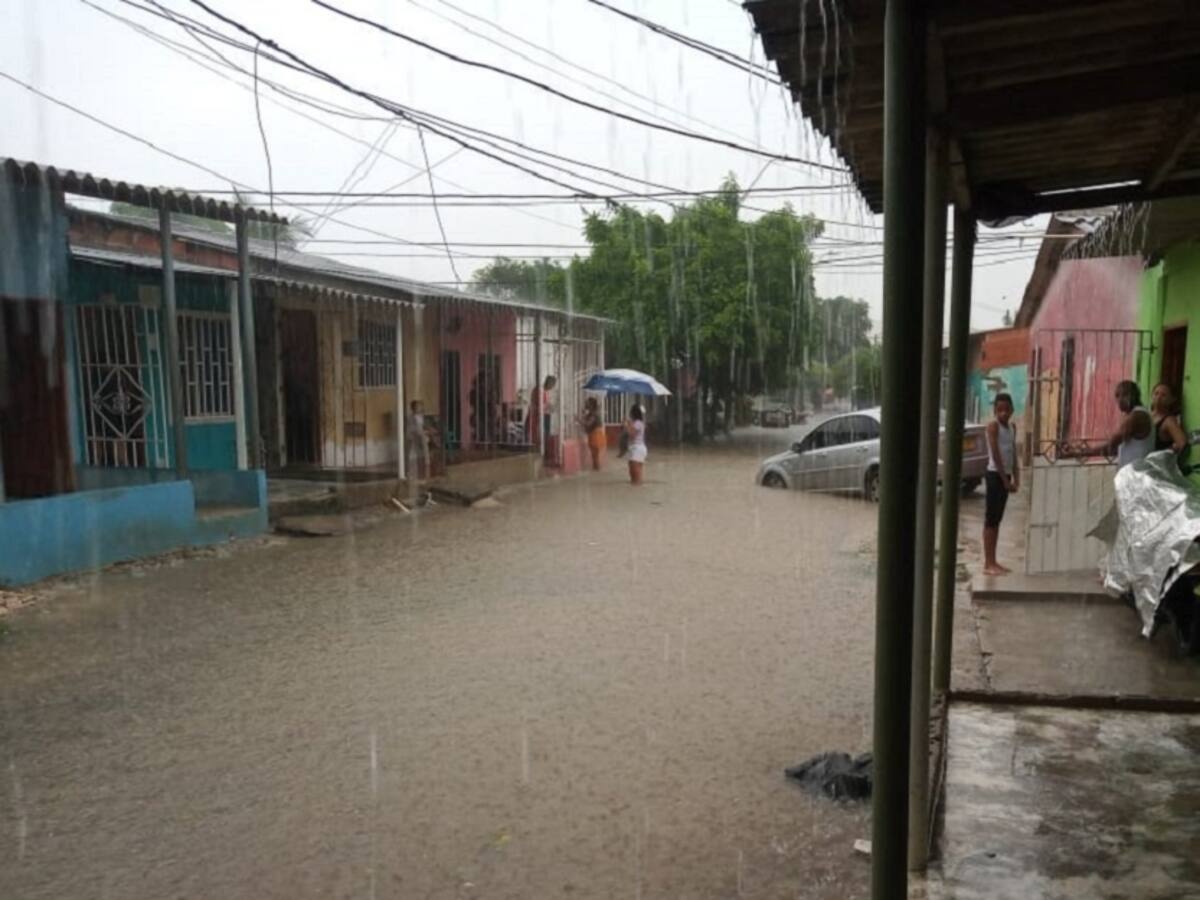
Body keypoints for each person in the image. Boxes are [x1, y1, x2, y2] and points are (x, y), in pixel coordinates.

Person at [983, 393, 1019, 577]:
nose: (1003, 413)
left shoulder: (1012, 427)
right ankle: (988, 563)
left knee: (997, 520)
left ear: (1012, 409)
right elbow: (996, 455)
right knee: (990, 520)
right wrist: (1006, 481)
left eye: (1006, 409)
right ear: (995, 411)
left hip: (1006, 476)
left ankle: (994, 561)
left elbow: (1013, 453)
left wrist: (1016, 478)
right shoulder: (993, 427)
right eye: (999, 410)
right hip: (994, 476)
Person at [1151, 382, 1188, 455]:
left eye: (1163, 395)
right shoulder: (1147, 415)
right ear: (1152, 396)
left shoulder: (1169, 421)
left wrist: (1164, 452)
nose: (1158, 398)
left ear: (1172, 399)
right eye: (1156, 393)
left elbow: (1182, 443)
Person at [577, 396, 606, 471]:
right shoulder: (591, 413)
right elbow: (586, 421)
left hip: (596, 435)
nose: (586, 404)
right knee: (594, 455)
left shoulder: (594, 414)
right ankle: (596, 470)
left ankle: (597, 470)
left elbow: (588, 424)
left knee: (595, 455)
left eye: (588, 403)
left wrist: (579, 420)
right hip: (594, 435)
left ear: (592, 405)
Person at [406, 399, 432, 481]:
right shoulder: (412, 417)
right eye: (418, 407)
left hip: (418, 434)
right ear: (413, 408)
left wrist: (426, 430)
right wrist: (425, 432)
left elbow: (422, 426)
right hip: (414, 434)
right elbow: (416, 428)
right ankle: (425, 464)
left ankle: (426, 463)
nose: (420, 408)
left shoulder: (420, 416)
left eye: (420, 406)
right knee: (416, 448)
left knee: (422, 445)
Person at [625, 403, 647, 485]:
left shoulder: (638, 423)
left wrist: (628, 425)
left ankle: (637, 488)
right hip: (634, 448)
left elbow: (632, 435)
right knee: (632, 473)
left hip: (637, 449)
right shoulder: (636, 423)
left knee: (636, 474)